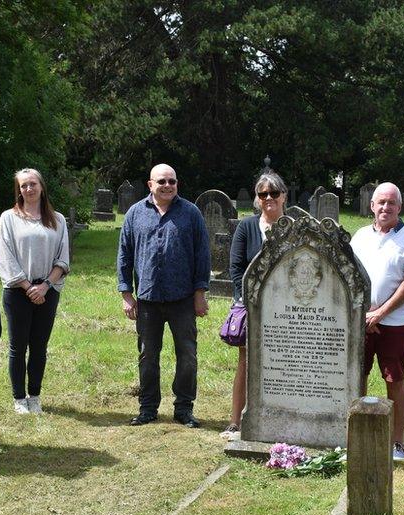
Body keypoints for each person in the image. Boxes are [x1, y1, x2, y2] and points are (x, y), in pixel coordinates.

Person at [117, 163, 211, 428]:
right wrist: (126, 294)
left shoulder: (191, 213)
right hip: (147, 300)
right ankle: (148, 408)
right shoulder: (135, 213)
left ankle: (183, 409)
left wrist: (200, 293)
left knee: (187, 355)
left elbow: (202, 256)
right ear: (150, 185)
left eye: (172, 181)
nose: (167, 185)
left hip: (182, 299)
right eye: (162, 181)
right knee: (148, 356)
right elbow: (124, 255)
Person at [350, 182, 404, 461]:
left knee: (394, 379)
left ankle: (397, 441)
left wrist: (380, 313)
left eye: (391, 203)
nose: (385, 207)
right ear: (371, 206)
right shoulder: (359, 236)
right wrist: (361, 314)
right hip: (359, 321)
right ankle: (354, 436)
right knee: (356, 377)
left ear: (399, 207)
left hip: (394, 322)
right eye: (380, 202)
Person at [0, 169, 70, 415]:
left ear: (41, 186)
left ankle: (34, 395)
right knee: (18, 346)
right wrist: (28, 287)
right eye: (24, 185)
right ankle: (19, 398)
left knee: (39, 346)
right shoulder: (9, 218)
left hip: (48, 290)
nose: (29, 189)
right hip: (18, 291)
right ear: (19, 190)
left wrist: (45, 286)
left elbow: (63, 258)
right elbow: (4, 256)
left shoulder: (57, 219)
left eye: (33, 184)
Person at [221, 172, 287, 438]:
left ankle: (281, 416)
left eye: (273, 193)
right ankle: (236, 421)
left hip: (285, 307)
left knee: (284, 363)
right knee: (246, 361)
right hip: (252, 306)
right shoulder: (246, 228)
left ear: (283, 195)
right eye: (263, 194)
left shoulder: (293, 226)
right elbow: (236, 269)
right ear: (257, 199)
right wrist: (250, 299)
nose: (268, 198)